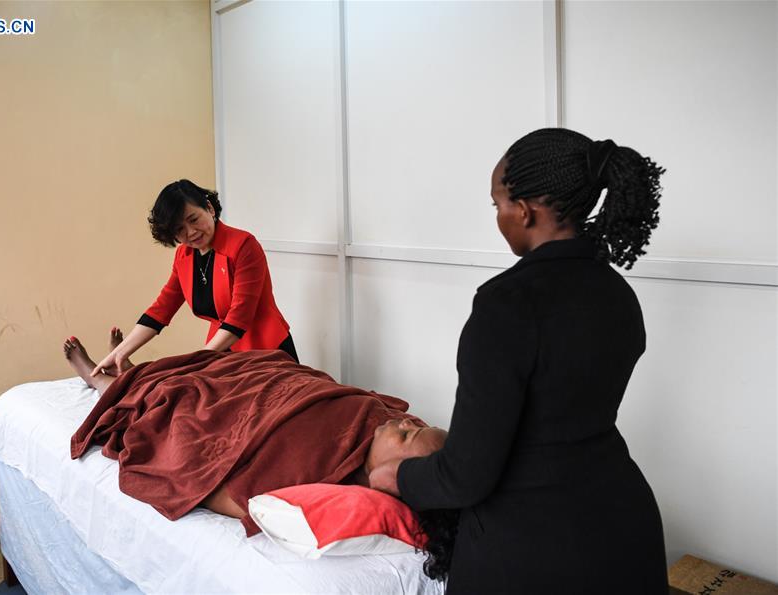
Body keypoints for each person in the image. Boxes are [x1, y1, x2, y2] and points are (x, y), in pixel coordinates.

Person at [369, 128, 669, 593]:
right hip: (626, 528)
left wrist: (399, 475)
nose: (499, 217)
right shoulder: (618, 293)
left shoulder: (506, 304)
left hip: (534, 548)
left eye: (498, 205)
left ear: (524, 211)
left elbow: (467, 475)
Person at [64, 334, 453, 578]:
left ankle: (105, 383)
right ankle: (135, 377)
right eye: (415, 424)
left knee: (179, 400)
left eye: (407, 434)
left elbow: (235, 492)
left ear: (389, 475)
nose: (405, 422)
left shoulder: (322, 473)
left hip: (249, 414)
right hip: (283, 384)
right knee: (242, 366)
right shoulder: (384, 422)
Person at [91, 179, 295, 379]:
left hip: (264, 350)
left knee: (184, 382)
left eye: (194, 219)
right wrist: (120, 352)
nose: (190, 233)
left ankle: (133, 376)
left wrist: (195, 364)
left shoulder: (243, 245)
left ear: (209, 208)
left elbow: (239, 317)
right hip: (223, 350)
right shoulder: (184, 256)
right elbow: (161, 310)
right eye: (179, 229)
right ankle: (122, 370)